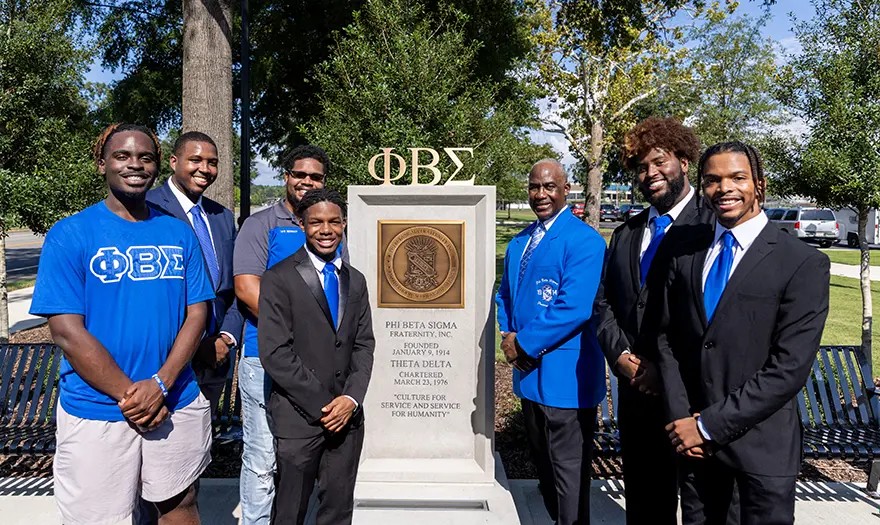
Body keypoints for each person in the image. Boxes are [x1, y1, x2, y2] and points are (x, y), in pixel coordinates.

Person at [29, 123, 215, 524]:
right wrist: (133, 396)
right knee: (99, 518)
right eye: (123, 156)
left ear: (157, 166)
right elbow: (66, 331)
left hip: (175, 400)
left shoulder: (177, 233)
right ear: (102, 164)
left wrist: (161, 384)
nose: (135, 165)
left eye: (146, 157)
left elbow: (196, 314)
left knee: (179, 506)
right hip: (97, 408)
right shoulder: (70, 234)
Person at [656, 142, 830, 525]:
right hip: (696, 453)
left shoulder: (801, 263)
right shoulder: (685, 252)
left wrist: (707, 426)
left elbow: (789, 367)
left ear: (760, 185)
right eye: (713, 180)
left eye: (737, 177)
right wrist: (684, 421)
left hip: (760, 453)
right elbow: (667, 340)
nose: (724, 188)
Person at [593, 116, 707, 525]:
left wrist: (667, 370)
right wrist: (621, 356)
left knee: (701, 506)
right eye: (641, 167)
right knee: (644, 504)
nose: (651, 173)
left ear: (684, 160)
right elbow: (602, 303)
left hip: (694, 399)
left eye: (659, 161)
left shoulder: (711, 225)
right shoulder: (626, 233)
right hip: (636, 394)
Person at [233, 144, 348, 524]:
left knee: (300, 456)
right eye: (300, 175)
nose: (307, 182)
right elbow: (248, 289)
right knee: (262, 456)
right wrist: (299, 329)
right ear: (286, 177)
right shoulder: (260, 224)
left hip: (314, 365)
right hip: (262, 358)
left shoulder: (330, 227)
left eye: (315, 177)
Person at [495, 159, 606, 525]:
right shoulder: (519, 242)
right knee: (545, 471)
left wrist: (523, 343)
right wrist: (509, 337)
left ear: (566, 188)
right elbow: (505, 296)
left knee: (568, 478)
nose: (540, 194)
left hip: (566, 379)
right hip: (529, 378)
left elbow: (574, 308)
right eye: (534, 187)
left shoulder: (584, 240)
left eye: (549, 187)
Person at [258, 188, 374, 525]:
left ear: (344, 223)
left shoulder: (356, 281)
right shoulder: (279, 278)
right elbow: (275, 353)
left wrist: (350, 400)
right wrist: (326, 406)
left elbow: (363, 344)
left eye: (334, 222)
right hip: (299, 419)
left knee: (337, 512)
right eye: (316, 222)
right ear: (301, 224)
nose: (326, 230)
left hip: (347, 421)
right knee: (290, 512)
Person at [147, 131, 243, 415]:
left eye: (212, 162)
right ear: (174, 161)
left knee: (199, 450)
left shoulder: (222, 216)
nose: (205, 169)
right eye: (196, 160)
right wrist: (195, 342)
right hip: (163, 358)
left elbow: (235, 285)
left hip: (215, 358)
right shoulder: (147, 209)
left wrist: (226, 336)